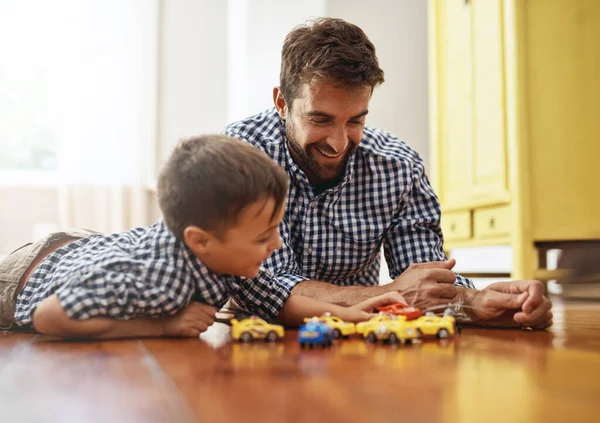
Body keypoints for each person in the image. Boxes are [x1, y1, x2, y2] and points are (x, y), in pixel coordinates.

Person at [223, 17, 552, 329]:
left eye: (355, 120)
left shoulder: (399, 167)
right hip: (251, 345)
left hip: (360, 347)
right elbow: (261, 289)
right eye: (320, 119)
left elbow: (423, 284)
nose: (338, 144)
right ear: (282, 103)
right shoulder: (241, 155)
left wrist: (476, 304)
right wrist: (389, 294)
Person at [0, 134, 404, 339]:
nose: (277, 245)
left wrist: (360, 312)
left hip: (83, 248)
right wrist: (161, 328)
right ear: (201, 241)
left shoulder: (227, 259)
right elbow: (48, 317)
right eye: (264, 236)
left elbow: (281, 302)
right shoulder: (156, 279)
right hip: (26, 280)